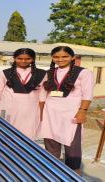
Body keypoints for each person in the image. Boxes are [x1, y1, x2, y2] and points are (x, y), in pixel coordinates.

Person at [38, 46, 94, 175]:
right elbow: (42, 94)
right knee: (50, 141)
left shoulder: (84, 73)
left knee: (72, 144)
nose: (60, 59)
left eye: (64, 56)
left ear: (72, 57)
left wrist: (82, 111)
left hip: (71, 113)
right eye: (56, 57)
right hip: (50, 112)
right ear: (52, 58)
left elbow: (87, 94)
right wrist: (41, 112)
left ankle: (73, 173)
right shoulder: (49, 72)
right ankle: (52, 170)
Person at [0, 48, 47, 140]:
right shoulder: (4, 73)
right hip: (9, 109)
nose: (23, 61)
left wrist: (41, 114)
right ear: (14, 58)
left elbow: (42, 95)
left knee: (28, 136)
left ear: (33, 59)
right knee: (8, 135)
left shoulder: (42, 74)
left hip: (31, 111)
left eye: (27, 59)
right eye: (20, 58)